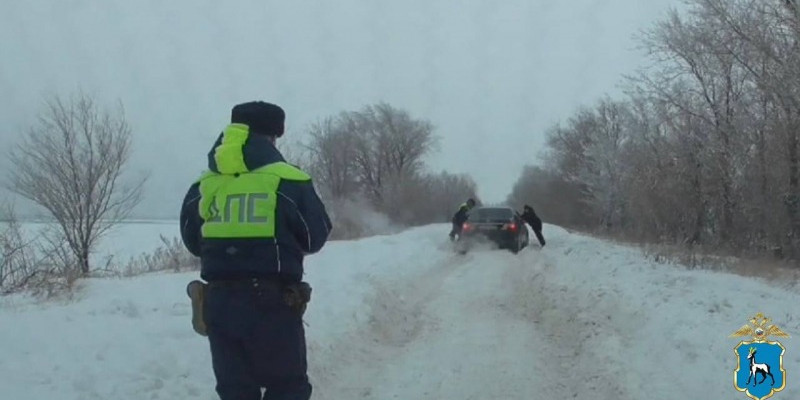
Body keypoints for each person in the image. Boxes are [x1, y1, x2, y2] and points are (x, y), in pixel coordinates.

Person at [180, 101, 333, 400]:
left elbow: (193, 241)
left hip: (219, 303)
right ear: (273, 137)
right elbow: (314, 236)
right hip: (272, 302)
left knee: (235, 391)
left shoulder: (204, 183)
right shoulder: (287, 179)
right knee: (286, 388)